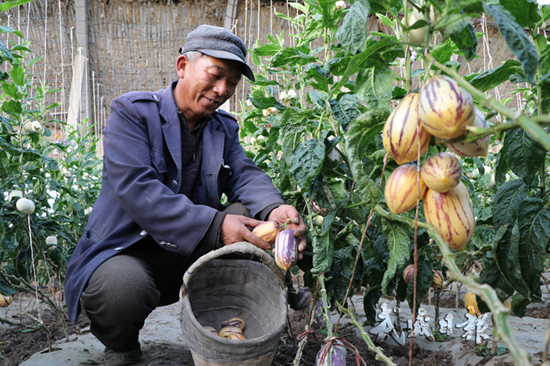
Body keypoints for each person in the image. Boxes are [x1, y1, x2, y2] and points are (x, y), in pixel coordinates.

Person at [64, 25, 307, 365]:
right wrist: (217, 226)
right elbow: (138, 189)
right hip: (127, 251)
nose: (222, 89)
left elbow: (244, 173)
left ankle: (224, 322)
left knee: (248, 214)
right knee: (122, 290)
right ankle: (121, 345)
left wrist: (275, 208)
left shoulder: (224, 127)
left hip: (187, 252)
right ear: (182, 66)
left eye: (232, 83)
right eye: (215, 74)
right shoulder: (133, 114)